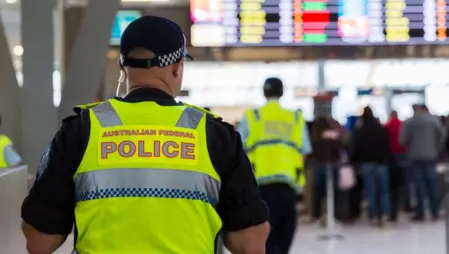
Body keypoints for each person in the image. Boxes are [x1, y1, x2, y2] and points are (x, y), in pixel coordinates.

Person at [21, 16, 269, 254]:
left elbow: (39, 242)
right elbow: (251, 244)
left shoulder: (81, 130)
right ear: (177, 68)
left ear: (122, 66)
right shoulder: (214, 135)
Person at [237, 77, 312, 254]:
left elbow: (237, 149)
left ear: (264, 92)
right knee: (285, 234)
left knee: (265, 237)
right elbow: (305, 149)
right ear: (282, 92)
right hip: (288, 185)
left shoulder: (253, 117)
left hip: (259, 188)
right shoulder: (294, 118)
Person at [400, 104, 444, 221]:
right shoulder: (434, 120)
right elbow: (442, 136)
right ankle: (435, 211)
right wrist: (436, 149)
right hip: (431, 156)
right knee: (432, 184)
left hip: (415, 157)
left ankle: (420, 213)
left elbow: (402, 140)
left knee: (419, 186)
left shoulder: (409, 122)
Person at [350, 106, 392, 226]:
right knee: (384, 191)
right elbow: (387, 146)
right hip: (382, 163)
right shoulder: (381, 129)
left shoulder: (360, 131)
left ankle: (374, 215)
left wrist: (355, 162)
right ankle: (385, 214)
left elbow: (356, 148)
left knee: (371, 191)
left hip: (367, 163)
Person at [310, 117, 342, 222]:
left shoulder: (316, 137)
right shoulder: (335, 135)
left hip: (319, 166)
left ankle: (318, 215)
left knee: (319, 192)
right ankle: (333, 214)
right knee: (333, 192)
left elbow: (313, 153)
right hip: (333, 166)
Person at [384, 110, 409, 220]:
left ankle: (393, 208)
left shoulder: (387, 126)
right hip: (404, 154)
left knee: (393, 184)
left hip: (392, 156)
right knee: (405, 181)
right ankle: (405, 203)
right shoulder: (403, 125)